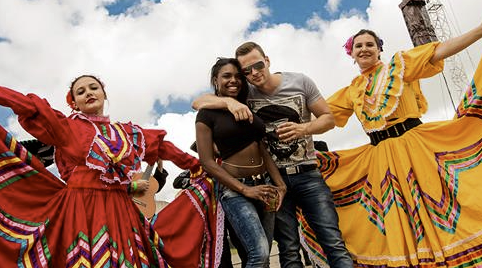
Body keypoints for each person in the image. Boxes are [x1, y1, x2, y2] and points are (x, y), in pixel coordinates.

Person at [299, 25, 482, 267]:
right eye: (358, 46)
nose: (364, 49)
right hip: (381, 159)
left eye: (369, 44)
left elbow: (440, 51)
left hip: (416, 148)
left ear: (379, 49)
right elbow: (321, 118)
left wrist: (480, 30)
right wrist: (292, 129)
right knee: (397, 215)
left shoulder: (401, 65)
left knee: (437, 204)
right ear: (351, 54)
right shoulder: (352, 90)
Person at [0, 75, 221, 267]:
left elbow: (164, 148)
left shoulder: (128, 133)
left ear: (104, 94)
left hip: (120, 208)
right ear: (74, 103)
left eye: (94, 88)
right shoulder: (68, 127)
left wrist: (198, 166)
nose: (88, 93)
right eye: (81, 91)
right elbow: (30, 107)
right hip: (81, 207)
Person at [192, 43, 354, 268]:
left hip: (300, 176)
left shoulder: (297, 82)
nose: (252, 74)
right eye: (246, 71)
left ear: (267, 60)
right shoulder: (238, 100)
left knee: (332, 242)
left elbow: (328, 119)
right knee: (282, 250)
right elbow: (198, 104)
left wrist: (303, 129)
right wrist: (228, 101)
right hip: (259, 184)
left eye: (257, 66)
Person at [195, 57, 287, 268]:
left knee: (264, 254)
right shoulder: (206, 113)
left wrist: (279, 184)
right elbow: (207, 162)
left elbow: (261, 148)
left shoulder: (247, 107)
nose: (233, 80)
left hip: (265, 185)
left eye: (238, 76)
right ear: (216, 80)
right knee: (259, 252)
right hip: (235, 190)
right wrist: (245, 190)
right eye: (226, 76)